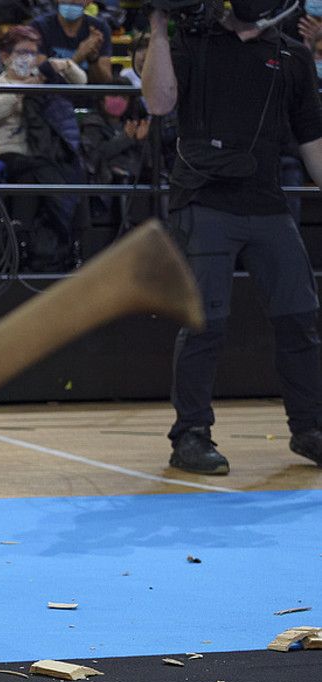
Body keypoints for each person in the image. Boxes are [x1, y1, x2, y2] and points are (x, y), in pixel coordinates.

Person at [142, 0, 322, 472]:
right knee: (206, 322)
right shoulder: (192, 41)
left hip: (268, 204)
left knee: (300, 317)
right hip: (204, 200)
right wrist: (159, 26)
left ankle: (311, 429)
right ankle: (191, 435)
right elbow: (158, 103)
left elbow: (312, 139)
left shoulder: (292, 56)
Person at [0, 25, 87, 272]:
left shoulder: (41, 78)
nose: (27, 57)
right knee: (40, 173)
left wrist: (65, 65)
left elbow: (81, 82)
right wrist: (24, 89)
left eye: (32, 51)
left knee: (73, 168)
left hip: (40, 156)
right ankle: (32, 245)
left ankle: (68, 247)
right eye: (21, 52)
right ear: (5, 56)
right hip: (6, 155)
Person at [31, 0, 112, 84]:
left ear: (89, 1)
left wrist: (93, 60)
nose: (72, 1)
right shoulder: (39, 27)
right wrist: (78, 57)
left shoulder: (99, 28)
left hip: (86, 94)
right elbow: (41, 77)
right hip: (51, 95)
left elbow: (105, 82)